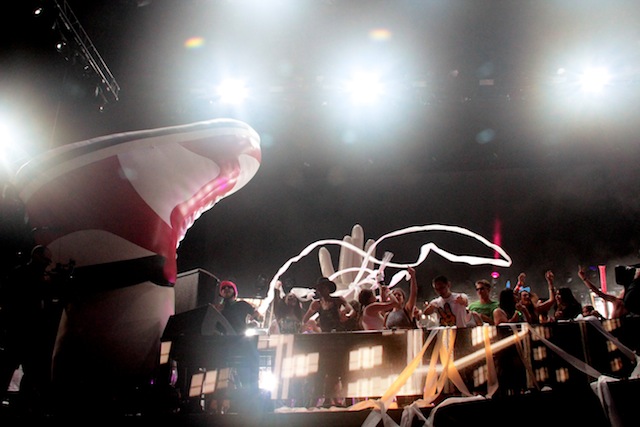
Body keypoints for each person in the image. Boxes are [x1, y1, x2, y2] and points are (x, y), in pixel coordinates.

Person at [0, 245, 55, 412]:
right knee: (18, 368)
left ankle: (22, 404)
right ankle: (22, 405)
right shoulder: (25, 275)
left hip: (23, 330)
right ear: (37, 256)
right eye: (46, 260)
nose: (47, 264)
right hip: (21, 330)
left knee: (22, 370)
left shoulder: (22, 273)